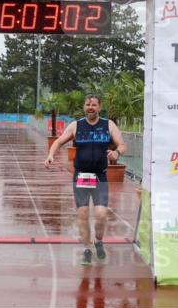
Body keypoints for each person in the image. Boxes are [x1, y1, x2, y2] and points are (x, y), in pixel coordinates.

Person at [44, 94, 127, 265]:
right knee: (82, 214)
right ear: (84, 106)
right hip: (81, 176)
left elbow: (122, 144)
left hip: (99, 176)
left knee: (101, 214)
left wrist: (117, 152)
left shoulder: (108, 125)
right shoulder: (76, 125)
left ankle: (98, 240)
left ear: (99, 107)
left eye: (94, 105)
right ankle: (87, 249)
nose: (91, 107)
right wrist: (50, 155)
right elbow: (58, 141)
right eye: (88, 104)